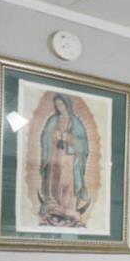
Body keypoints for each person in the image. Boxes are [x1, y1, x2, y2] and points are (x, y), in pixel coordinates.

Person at [38, 93, 91, 227]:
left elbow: (83, 145)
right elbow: (45, 137)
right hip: (55, 155)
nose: (59, 107)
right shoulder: (53, 120)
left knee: (68, 181)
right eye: (57, 105)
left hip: (70, 158)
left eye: (61, 104)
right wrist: (52, 136)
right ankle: (53, 206)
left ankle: (68, 208)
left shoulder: (76, 122)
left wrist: (68, 137)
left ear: (67, 104)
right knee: (54, 180)